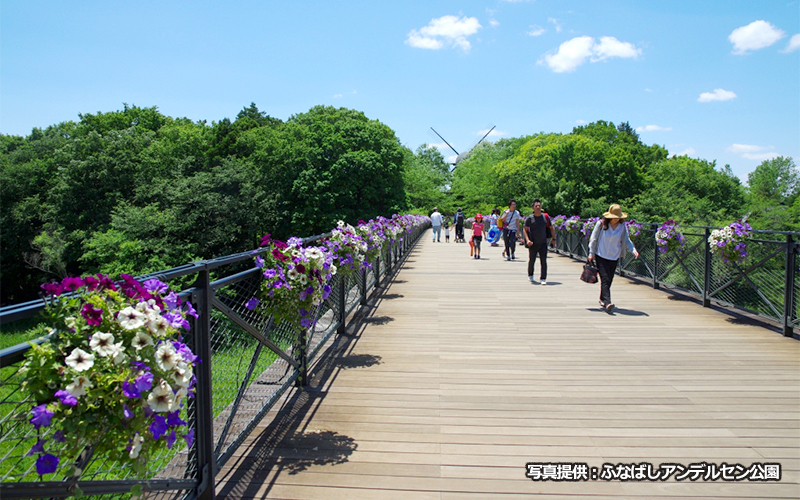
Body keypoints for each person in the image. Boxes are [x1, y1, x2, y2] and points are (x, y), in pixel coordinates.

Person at [588, 204, 640, 313]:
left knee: (609, 279)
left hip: (614, 256)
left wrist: (633, 250)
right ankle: (608, 303)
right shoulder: (601, 224)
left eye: (618, 217)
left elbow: (626, 240)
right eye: (615, 217)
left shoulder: (622, 226)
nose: (617, 219)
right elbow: (593, 239)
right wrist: (591, 253)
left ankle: (602, 298)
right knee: (605, 279)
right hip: (601, 255)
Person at [523, 200, 553, 285]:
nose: (538, 207)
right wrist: (527, 240)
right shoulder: (530, 218)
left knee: (543, 261)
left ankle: (543, 278)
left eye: (539, 206)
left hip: (543, 242)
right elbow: (525, 230)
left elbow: (551, 228)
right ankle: (530, 274)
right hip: (533, 242)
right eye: (536, 206)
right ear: (533, 207)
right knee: (532, 260)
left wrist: (553, 239)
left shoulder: (545, 217)